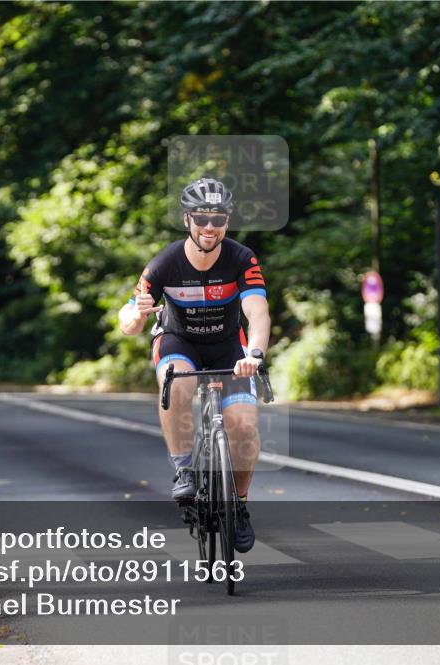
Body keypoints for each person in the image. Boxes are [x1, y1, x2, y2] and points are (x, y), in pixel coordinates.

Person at [118, 177, 270, 553]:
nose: (209, 227)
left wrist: (254, 355)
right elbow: (128, 320)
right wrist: (136, 316)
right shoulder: (166, 263)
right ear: (187, 220)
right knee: (177, 381)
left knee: (245, 427)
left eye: (217, 219)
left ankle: (240, 504)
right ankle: (184, 468)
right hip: (179, 341)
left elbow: (258, 312)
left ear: (227, 222)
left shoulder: (241, 258)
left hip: (227, 348)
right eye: (201, 218)